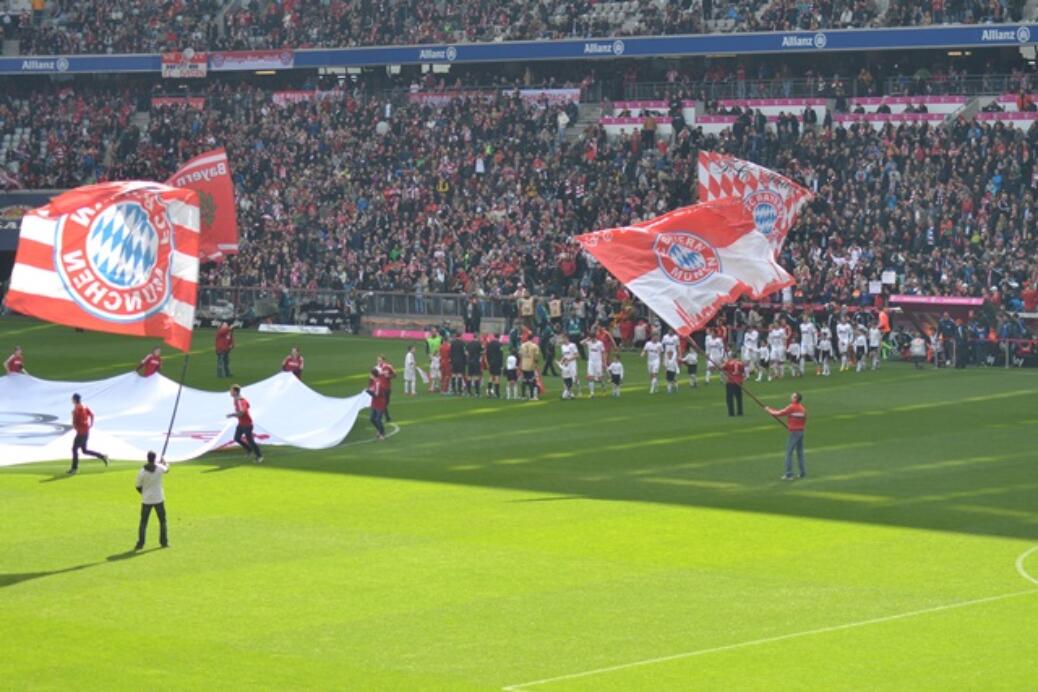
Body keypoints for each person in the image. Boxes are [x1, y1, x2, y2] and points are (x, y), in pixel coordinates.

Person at [767, 392, 807, 480]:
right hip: (801, 432)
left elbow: (779, 413)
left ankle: (789, 474)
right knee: (800, 453)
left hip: (794, 433)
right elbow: (803, 420)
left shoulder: (792, 407)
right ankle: (802, 472)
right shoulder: (802, 408)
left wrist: (768, 410)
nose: (791, 397)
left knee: (789, 453)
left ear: (796, 399)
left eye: (793, 396)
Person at [134, 451, 169, 550]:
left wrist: (144, 493)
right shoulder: (160, 468)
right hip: (159, 498)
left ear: (147, 458)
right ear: (154, 458)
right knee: (162, 521)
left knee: (143, 523)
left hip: (146, 500)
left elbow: (137, 486)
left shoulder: (142, 472)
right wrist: (164, 462)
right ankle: (164, 542)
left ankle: (140, 543)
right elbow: (167, 469)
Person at [68, 393, 109, 474]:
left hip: (81, 433)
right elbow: (92, 415)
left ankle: (74, 469)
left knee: (74, 449)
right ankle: (102, 456)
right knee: (84, 450)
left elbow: (74, 422)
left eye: (72, 399)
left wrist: (75, 425)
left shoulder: (76, 409)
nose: (71, 400)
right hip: (86, 432)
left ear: (74, 400)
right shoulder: (84, 406)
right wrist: (91, 424)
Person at [227, 385, 263, 463]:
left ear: (235, 392)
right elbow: (248, 406)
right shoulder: (236, 400)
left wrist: (232, 415)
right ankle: (249, 449)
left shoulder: (240, 400)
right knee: (236, 438)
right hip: (241, 424)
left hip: (247, 424)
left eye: (231, 391)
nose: (230, 392)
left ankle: (259, 456)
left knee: (251, 441)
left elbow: (241, 413)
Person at [367, 368, 389, 440]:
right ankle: (379, 430)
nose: (369, 375)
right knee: (372, 419)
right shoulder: (373, 382)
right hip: (375, 403)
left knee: (378, 419)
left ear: (373, 375)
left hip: (380, 403)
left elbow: (376, 394)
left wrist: (368, 392)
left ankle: (382, 433)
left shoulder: (378, 383)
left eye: (370, 374)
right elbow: (371, 390)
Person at [583, 332, 605, 398]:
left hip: (598, 362)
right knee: (590, 377)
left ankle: (603, 388)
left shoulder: (600, 343)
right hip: (591, 362)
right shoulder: (589, 342)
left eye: (592, 338)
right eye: (590, 338)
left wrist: (604, 362)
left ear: (595, 337)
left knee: (599, 378)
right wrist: (587, 339)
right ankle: (592, 393)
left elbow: (603, 352)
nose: (591, 340)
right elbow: (581, 343)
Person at [519, 336, 541, 400]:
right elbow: (536, 356)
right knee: (531, 380)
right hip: (531, 366)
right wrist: (536, 363)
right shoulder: (535, 346)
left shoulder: (522, 345)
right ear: (532, 339)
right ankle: (531, 396)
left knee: (524, 380)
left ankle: (523, 396)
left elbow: (520, 355)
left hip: (524, 365)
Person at [558, 334, 579, 399]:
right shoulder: (562, 346)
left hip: (572, 364)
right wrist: (560, 362)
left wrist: (569, 360)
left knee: (573, 379)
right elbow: (564, 356)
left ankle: (569, 392)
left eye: (562, 338)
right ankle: (569, 393)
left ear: (566, 338)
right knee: (565, 379)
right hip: (566, 365)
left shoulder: (572, 345)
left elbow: (577, 355)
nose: (561, 340)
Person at [486, 333, 503, 398]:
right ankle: (497, 393)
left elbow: (487, 353)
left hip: (491, 362)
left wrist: (488, 362)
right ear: (499, 337)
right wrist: (501, 365)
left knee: (491, 376)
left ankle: (489, 392)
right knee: (497, 377)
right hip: (497, 362)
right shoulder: (500, 344)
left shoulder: (490, 344)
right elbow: (501, 355)